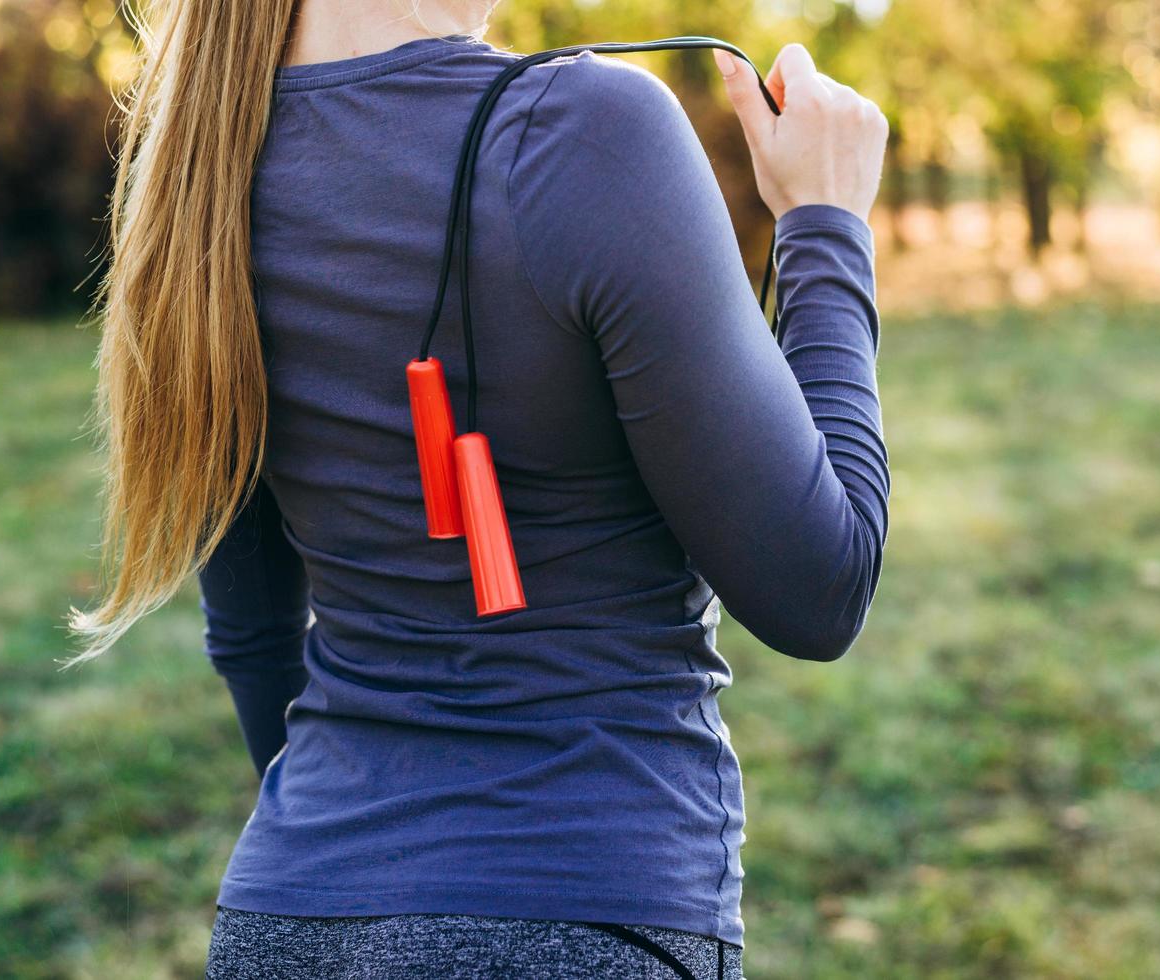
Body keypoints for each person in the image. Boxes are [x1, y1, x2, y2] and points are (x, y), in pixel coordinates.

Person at [68, 0, 890, 975]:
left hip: (287, 921)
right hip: (586, 914)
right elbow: (818, 587)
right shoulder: (586, 135)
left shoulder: (204, 166)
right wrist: (825, 222)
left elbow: (253, 641)